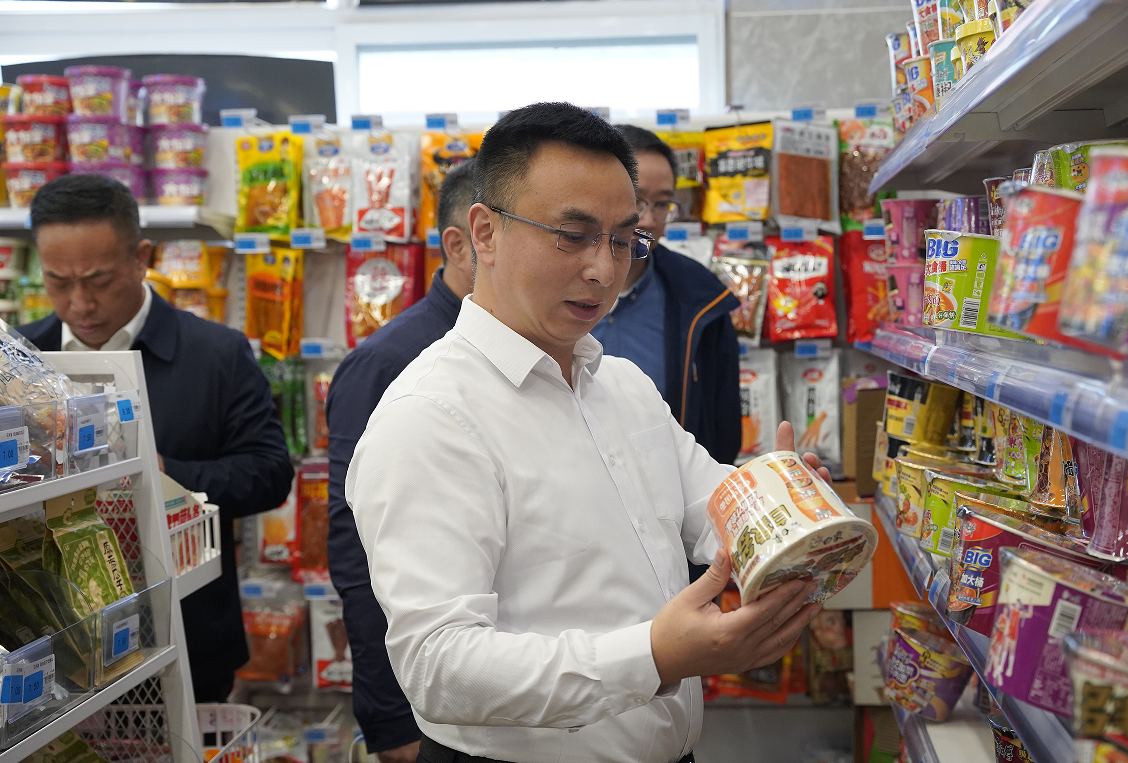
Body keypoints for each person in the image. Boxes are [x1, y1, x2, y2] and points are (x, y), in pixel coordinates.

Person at [348, 103, 826, 763]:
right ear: (484, 233)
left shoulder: (623, 386)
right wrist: (654, 656)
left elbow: (712, 507)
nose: (604, 269)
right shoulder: (429, 415)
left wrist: (786, 509)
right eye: (572, 236)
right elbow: (439, 665)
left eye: (624, 240)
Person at [19, 174, 294, 702]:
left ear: (142, 257)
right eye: (58, 281)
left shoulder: (216, 353)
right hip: (52, 649)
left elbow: (269, 473)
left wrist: (164, 474)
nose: (79, 303)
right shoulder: (21, 359)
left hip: (187, 636)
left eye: (99, 281)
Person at [326, 160, 476, 763]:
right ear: (462, 245)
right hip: (427, 703)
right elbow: (356, 546)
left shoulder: (550, 353)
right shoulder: (388, 362)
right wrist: (389, 718)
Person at [591, 124, 741, 466]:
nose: (648, 220)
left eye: (661, 205)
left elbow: (723, 428)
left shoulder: (702, 299)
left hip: (672, 489)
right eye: (636, 200)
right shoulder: (549, 289)